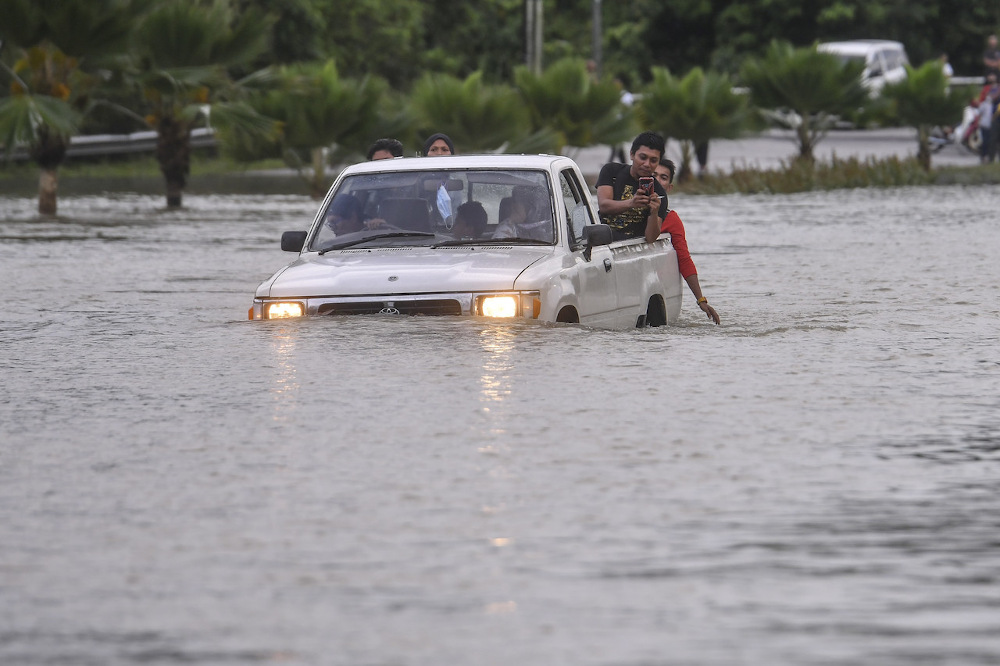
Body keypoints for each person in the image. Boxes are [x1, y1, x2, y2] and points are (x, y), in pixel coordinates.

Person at [654, 160, 721, 325]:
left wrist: (701, 300)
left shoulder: (671, 219)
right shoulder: (624, 207)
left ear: (669, 187)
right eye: (653, 175)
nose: (657, 180)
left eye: (663, 177)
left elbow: (683, 259)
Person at [596, 131, 668, 242]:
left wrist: (654, 213)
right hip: (603, 243)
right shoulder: (611, 171)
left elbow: (650, 238)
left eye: (653, 160)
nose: (647, 164)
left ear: (658, 162)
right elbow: (604, 206)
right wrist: (631, 203)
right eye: (643, 157)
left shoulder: (659, 193)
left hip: (632, 248)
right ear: (632, 155)